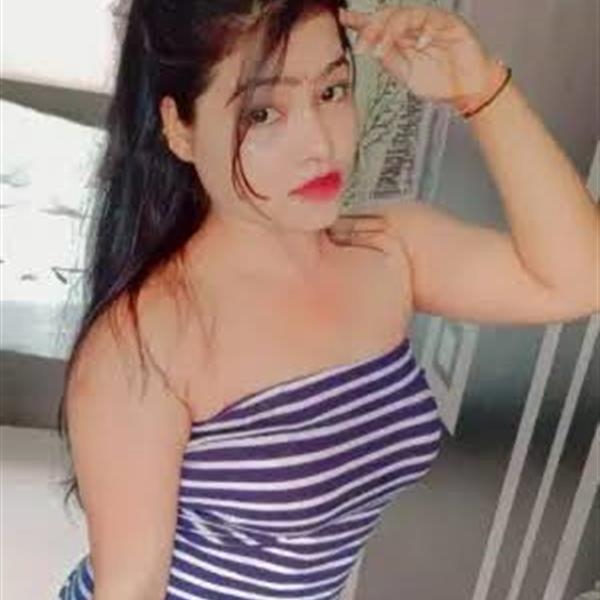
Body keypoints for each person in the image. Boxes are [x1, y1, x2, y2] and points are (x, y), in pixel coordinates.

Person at [57, 0, 598, 598]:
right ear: (179, 128)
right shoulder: (144, 343)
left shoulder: (385, 250)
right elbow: (132, 587)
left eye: (332, 91)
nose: (320, 144)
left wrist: (481, 89)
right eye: (263, 112)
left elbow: (578, 281)